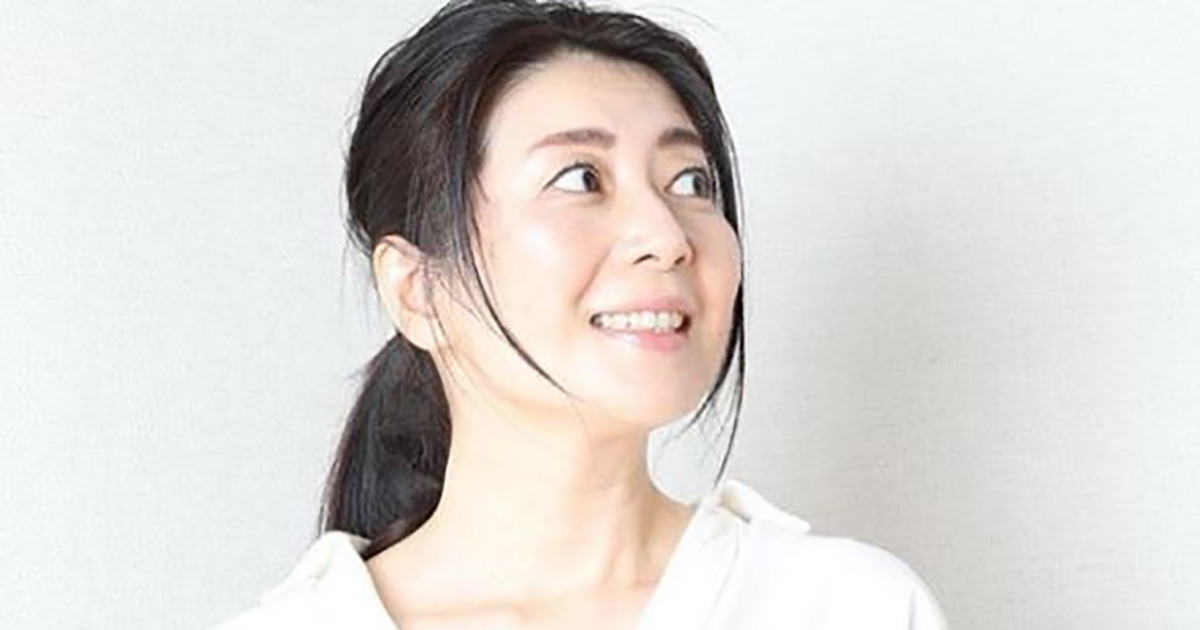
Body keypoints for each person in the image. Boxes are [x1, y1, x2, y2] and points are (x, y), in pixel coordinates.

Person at [214, 0, 950, 628]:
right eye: (579, 178)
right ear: (418, 290)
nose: (666, 236)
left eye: (690, 182)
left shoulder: (849, 607)